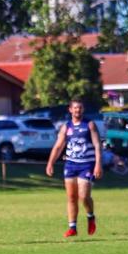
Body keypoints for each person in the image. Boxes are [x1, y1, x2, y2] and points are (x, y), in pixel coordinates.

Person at [45, 98, 103, 237]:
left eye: (80, 108)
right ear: (70, 110)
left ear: (83, 110)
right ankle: (72, 228)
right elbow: (58, 146)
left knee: (84, 196)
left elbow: (97, 145)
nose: (78, 110)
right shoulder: (66, 127)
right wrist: (50, 163)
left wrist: (98, 164)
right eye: (75, 108)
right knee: (71, 197)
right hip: (70, 165)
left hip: (87, 165)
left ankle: (90, 216)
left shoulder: (90, 125)